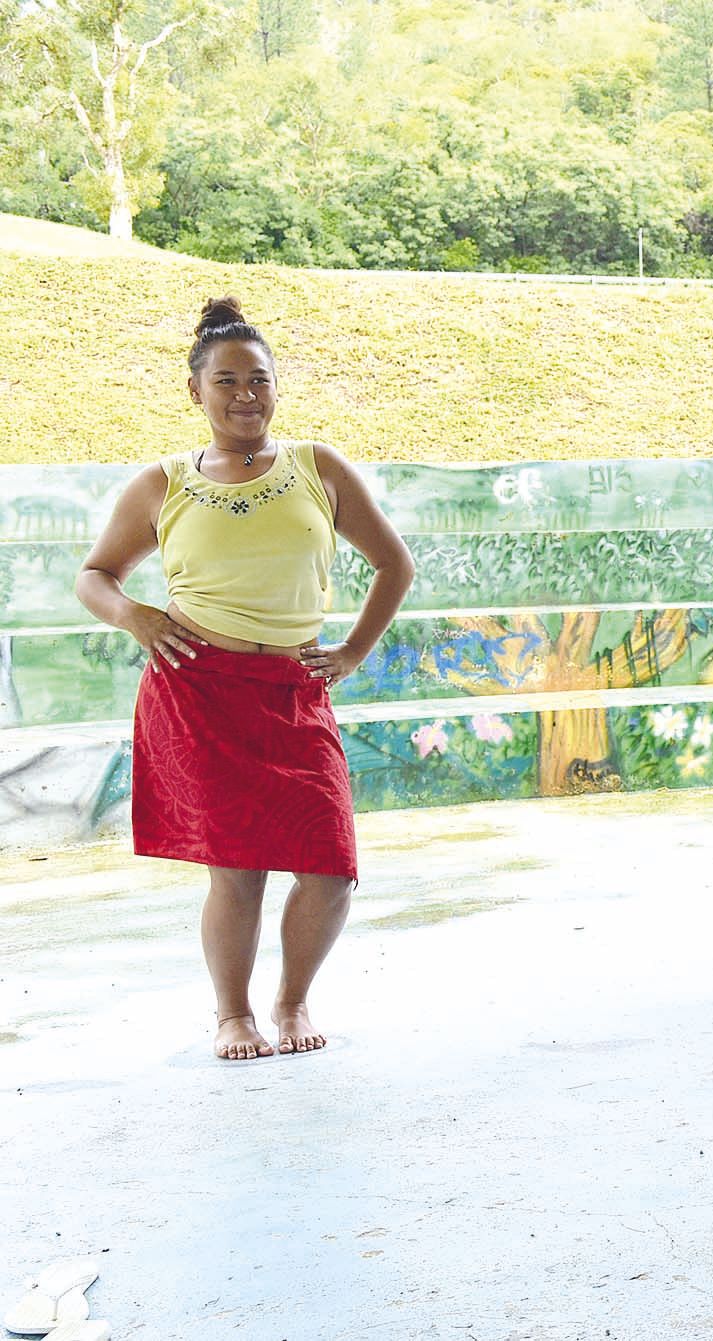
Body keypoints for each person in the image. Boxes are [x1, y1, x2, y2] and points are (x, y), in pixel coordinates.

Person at [75, 297, 415, 1061]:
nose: (245, 395)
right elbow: (94, 575)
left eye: (258, 379)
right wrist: (134, 615)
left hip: (295, 689)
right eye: (226, 380)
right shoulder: (162, 484)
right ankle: (234, 1015)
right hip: (199, 690)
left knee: (328, 865)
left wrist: (353, 652)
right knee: (237, 870)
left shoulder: (317, 467)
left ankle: (292, 1000)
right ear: (193, 390)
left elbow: (394, 564)